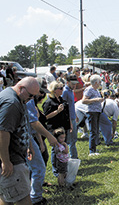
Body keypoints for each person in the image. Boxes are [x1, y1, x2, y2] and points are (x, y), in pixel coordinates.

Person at [0, 77, 39, 205]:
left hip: (15, 156)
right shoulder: (11, 103)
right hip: (12, 160)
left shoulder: (18, 98)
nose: (31, 99)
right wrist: (5, 161)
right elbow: (3, 133)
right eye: (30, 95)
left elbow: (19, 126)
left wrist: (28, 144)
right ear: (21, 88)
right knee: (23, 199)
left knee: (7, 197)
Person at [26, 95, 58, 205]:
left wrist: (40, 142)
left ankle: (33, 191)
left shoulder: (29, 102)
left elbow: (34, 125)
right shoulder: (29, 101)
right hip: (25, 138)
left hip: (30, 137)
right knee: (38, 168)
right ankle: (35, 198)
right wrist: (49, 136)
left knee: (36, 166)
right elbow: (34, 123)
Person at [43, 81, 70, 177]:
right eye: (60, 88)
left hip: (62, 127)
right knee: (56, 149)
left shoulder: (61, 99)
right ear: (54, 90)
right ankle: (56, 171)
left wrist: (69, 125)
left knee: (62, 147)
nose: (62, 90)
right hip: (54, 128)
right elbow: (45, 117)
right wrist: (57, 111)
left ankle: (62, 167)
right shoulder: (49, 102)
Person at [82, 75, 104, 156]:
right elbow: (83, 101)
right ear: (95, 82)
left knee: (96, 130)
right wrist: (96, 100)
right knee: (93, 131)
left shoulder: (96, 90)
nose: (100, 84)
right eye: (99, 82)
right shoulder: (89, 89)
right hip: (92, 112)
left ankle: (94, 148)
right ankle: (92, 150)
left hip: (97, 111)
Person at [62, 74, 79, 159]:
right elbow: (64, 107)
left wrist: (75, 114)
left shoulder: (71, 91)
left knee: (74, 139)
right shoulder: (65, 91)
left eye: (75, 84)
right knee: (70, 140)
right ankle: (71, 158)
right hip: (69, 119)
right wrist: (69, 120)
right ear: (67, 82)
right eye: (73, 84)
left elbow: (72, 105)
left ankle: (74, 157)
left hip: (72, 117)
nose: (74, 85)